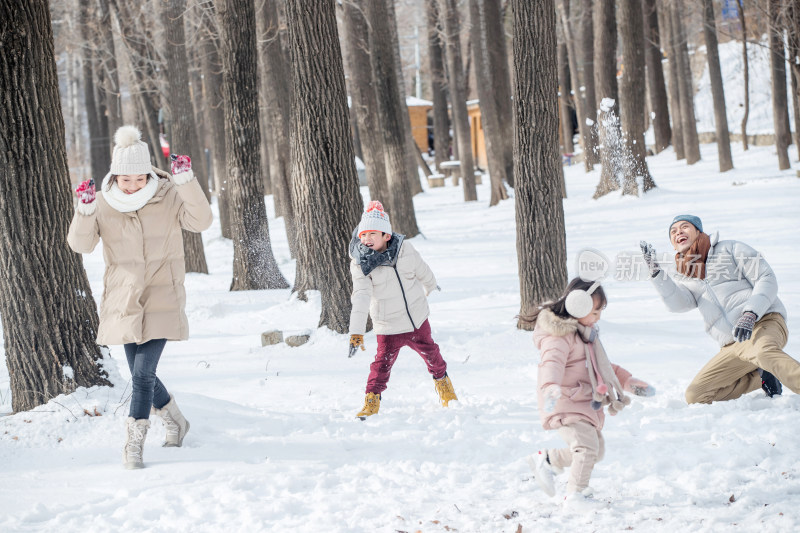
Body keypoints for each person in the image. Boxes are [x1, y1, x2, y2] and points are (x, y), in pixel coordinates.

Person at [67, 125, 212, 469]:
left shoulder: (169, 194)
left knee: (143, 374)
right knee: (139, 373)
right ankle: (176, 419)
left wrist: (186, 182)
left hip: (163, 293)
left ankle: (134, 443)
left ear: (149, 172)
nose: (131, 185)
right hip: (123, 299)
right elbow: (80, 245)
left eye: (138, 178)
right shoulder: (103, 202)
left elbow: (202, 220)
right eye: (124, 179)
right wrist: (84, 210)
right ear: (114, 176)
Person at [641, 215, 798, 404]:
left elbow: (766, 278)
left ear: (699, 231)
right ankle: (762, 375)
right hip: (731, 345)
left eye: (684, 227)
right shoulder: (684, 273)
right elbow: (679, 304)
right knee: (696, 395)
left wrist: (751, 312)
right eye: (673, 232)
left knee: (763, 352)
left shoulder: (730, 249)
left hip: (763, 322)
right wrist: (657, 274)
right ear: (673, 245)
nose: (678, 232)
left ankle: (769, 365)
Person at [524, 278, 654, 504]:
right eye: (594, 311)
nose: (598, 317)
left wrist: (628, 381)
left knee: (596, 451)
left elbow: (604, 367)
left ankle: (548, 460)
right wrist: (550, 386)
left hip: (583, 403)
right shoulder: (560, 336)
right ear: (577, 306)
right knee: (585, 448)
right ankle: (576, 494)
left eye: (600, 311)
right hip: (563, 401)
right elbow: (551, 363)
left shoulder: (586, 336)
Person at [348, 201, 457, 418]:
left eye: (372, 234)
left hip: (416, 320)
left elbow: (422, 269)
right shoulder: (361, 263)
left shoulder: (406, 249)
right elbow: (361, 296)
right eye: (363, 235)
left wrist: (431, 284)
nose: (366, 239)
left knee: (433, 355)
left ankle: (444, 386)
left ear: (386, 235)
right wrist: (356, 331)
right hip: (387, 325)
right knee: (381, 366)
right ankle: (372, 399)